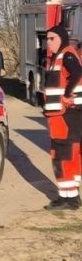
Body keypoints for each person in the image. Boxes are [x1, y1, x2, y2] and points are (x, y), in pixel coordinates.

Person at [42, 21, 82, 211]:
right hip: (62, 116)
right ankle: (70, 195)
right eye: (46, 39)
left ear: (61, 39)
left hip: (64, 116)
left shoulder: (65, 54)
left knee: (62, 155)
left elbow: (77, 73)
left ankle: (69, 198)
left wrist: (66, 95)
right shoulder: (62, 56)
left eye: (52, 38)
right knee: (68, 155)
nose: (48, 42)